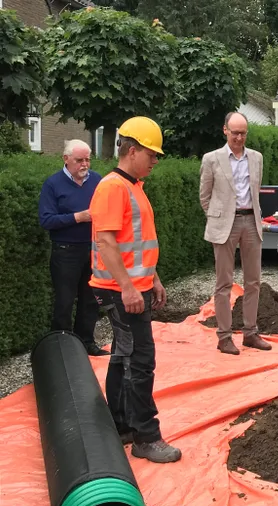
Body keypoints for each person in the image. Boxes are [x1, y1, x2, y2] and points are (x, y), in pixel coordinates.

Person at [88, 116, 181, 464]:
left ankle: (123, 425)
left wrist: (152, 278)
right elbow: (107, 242)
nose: (156, 160)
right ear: (131, 150)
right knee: (140, 361)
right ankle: (146, 436)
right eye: (151, 154)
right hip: (119, 291)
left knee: (124, 356)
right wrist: (128, 288)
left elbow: (136, 243)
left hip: (131, 287)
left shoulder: (134, 186)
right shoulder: (113, 188)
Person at [199, 112, 271, 355]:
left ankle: (251, 332)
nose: (239, 137)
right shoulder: (211, 159)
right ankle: (224, 336)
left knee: (254, 281)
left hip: (251, 221)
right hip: (224, 225)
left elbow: (256, 189)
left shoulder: (256, 158)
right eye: (235, 132)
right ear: (225, 131)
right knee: (224, 283)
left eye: (243, 133)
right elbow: (204, 195)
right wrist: (218, 216)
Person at [38, 139, 108, 356]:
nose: (84, 164)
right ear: (66, 159)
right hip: (66, 250)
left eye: (87, 159)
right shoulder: (53, 184)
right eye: (79, 160)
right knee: (64, 300)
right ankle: (62, 349)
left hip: (93, 249)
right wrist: (78, 217)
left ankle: (87, 343)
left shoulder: (97, 180)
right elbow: (46, 220)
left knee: (91, 300)